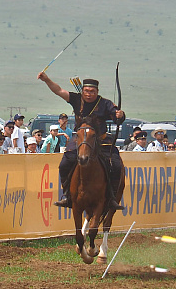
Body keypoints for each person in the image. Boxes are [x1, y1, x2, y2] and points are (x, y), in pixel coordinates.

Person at [37, 72, 125, 210]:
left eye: (92, 91)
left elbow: (117, 117)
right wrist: (47, 80)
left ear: (97, 92)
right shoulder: (76, 99)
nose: (89, 94)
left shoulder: (105, 103)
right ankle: (67, 195)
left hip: (101, 140)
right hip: (79, 140)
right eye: (86, 91)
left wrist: (120, 115)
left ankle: (112, 198)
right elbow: (59, 91)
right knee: (64, 164)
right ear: (82, 91)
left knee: (116, 165)